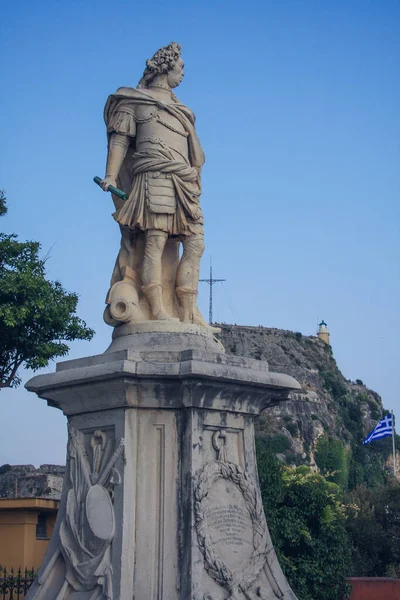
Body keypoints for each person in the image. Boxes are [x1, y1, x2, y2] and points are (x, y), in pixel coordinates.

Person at [101, 42, 210, 328]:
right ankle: (157, 308)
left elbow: (195, 155)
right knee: (155, 242)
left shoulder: (182, 110)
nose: (183, 73)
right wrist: (111, 175)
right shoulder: (135, 100)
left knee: (195, 243)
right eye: (181, 67)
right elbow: (120, 140)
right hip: (154, 178)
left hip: (184, 183)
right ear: (166, 67)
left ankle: (188, 312)